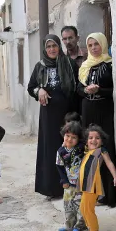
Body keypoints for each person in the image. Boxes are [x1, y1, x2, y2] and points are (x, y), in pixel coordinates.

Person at [27, 34, 79, 199]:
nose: (51, 49)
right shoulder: (40, 66)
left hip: (67, 113)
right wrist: (39, 90)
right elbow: (31, 87)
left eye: (54, 46)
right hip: (49, 115)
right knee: (51, 148)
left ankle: (71, 186)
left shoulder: (69, 64)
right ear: (45, 49)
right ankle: (52, 188)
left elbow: (76, 87)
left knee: (69, 147)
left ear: (59, 47)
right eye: (48, 47)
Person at [78, 32, 116, 207]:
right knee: (90, 152)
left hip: (104, 111)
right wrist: (86, 90)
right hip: (89, 111)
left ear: (103, 44)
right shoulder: (85, 66)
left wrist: (99, 90)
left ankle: (107, 195)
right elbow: (78, 89)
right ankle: (91, 193)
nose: (94, 48)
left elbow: (115, 90)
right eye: (91, 45)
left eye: (97, 44)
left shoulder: (110, 65)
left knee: (104, 150)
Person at [77, 125, 116, 231]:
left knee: (88, 210)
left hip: (92, 186)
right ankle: (89, 227)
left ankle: (93, 229)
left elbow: (109, 163)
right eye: (90, 138)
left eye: (97, 138)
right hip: (85, 186)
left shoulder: (101, 151)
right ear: (86, 141)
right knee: (83, 209)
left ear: (101, 141)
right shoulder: (87, 152)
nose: (94, 140)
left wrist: (115, 177)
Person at [56, 122, 86, 231]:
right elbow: (60, 166)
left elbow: (84, 143)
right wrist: (64, 180)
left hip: (81, 185)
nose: (69, 139)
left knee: (81, 207)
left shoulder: (80, 149)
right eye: (67, 136)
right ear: (63, 135)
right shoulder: (61, 151)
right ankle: (69, 227)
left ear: (78, 139)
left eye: (73, 137)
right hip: (69, 185)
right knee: (68, 207)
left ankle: (80, 227)